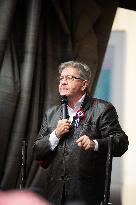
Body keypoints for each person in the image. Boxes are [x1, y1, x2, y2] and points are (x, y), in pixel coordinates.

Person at [33, 61, 129, 205]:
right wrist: (56, 134)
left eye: (69, 78)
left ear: (84, 84)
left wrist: (94, 144)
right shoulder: (51, 113)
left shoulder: (102, 109)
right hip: (55, 195)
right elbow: (37, 151)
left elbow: (121, 142)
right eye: (61, 78)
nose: (63, 82)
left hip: (87, 195)